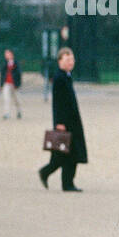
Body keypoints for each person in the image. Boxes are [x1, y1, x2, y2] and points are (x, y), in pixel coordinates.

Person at [38, 47, 87, 192]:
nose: (71, 62)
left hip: (71, 121)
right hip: (65, 122)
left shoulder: (66, 76)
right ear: (60, 61)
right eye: (67, 59)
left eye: (72, 59)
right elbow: (58, 103)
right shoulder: (60, 78)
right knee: (66, 153)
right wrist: (59, 123)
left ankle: (62, 180)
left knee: (67, 153)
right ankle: (63, 181)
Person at [0, 49, 23, 119]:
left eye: (8, 54)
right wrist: (1, 85)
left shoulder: (16, 63)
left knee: (17, 99)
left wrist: (18, 84)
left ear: (12, 54)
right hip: (6, 83)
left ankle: (19, 111)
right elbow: (2, 75)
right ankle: (7, 113)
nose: (6, 55)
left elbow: (19, 74)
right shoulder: (4, 64)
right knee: (6, 99)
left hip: (14, 84)